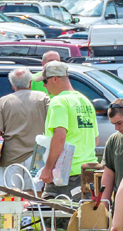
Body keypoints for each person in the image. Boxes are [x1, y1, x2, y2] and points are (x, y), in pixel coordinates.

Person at [36, 61, 97, 199]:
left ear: (55, 79)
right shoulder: (85, 101)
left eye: (45, 81)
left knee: (52, 211)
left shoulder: (59, 102)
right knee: (84, 211)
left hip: (65, 173)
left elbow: (59, 136)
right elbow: (95, 139)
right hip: (89, 170)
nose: (44, 85)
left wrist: (48, 168)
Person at [0, 67, 49, 178]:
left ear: (12, 85)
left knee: (10, 188)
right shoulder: (43, 98)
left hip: (11, 157)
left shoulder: (3, 101)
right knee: (35, 188)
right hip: (38, 154)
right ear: (30, 83)